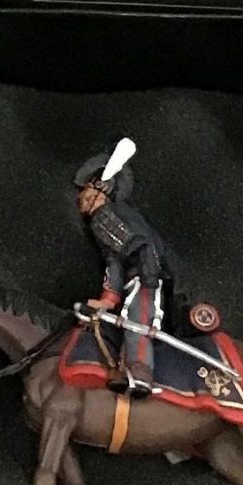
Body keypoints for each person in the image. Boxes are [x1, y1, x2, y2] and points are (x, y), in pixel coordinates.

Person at [74, 142, 183, 397]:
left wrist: (148, 277)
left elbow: (141, 245)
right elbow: (114, 261)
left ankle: (140, 375)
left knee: (137, 320)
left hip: (146, 276)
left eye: (86, 195)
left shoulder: (105, 216)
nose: (81, 202)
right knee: (128, 322)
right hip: (139, 275)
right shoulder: (107, 220)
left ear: (100, 192)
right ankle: (127, 369)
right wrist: (108, 298)